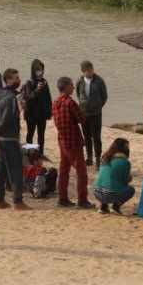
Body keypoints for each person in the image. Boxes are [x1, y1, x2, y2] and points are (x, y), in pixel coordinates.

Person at [0, 68, 28, 210]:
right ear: (8, 80)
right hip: (9, 138)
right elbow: (6, 119)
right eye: (16, 78)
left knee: (0, 170)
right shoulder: (11, 98)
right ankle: (17, 201)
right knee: (15, 169)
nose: (18, 80)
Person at [51, 77, 94, 209]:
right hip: (73, 142)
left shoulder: (55, 102)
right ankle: (82, 200)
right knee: (81, 172)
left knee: (64, 170)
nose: (73, 87)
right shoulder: (69, 102)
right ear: (65, 87)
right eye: (71, 85)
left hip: (62, 141)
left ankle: (62, 197)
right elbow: (82, 118)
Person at [77, 60, 108, 166]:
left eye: (91, 68)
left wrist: (98, 106)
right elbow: (78, 94)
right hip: (84, 113)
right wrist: (83, 106)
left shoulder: (99, 81)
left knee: (96, 136)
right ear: (83, 71)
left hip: (96, 113)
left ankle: (98, 158)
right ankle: (89, 156)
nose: (89, 71)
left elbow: (104, 96)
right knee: (86, 136)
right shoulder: (80, 81)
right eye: (87, 69)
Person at [93, 138, 135, 214]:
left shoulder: (105, 157)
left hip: (97, 192)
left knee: (107, 182)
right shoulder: (125, 162)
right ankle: (115, 207)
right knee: (130, 189)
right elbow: (125, 183)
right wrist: (129, 178)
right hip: (111, 195)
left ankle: (103, 206)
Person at [22, 59, 53, 154]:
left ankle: (40, 152)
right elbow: (29, 98)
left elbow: (48, 97)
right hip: (31, 114)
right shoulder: (29, 82)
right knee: (30, 134)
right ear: (33, 70)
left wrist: (50, 111)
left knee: (41, 135)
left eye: (41, 69)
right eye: (38, 69)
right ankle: (29, 152)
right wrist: (37, 89)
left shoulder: (44, 81)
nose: (40, 71)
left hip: (42, 114)